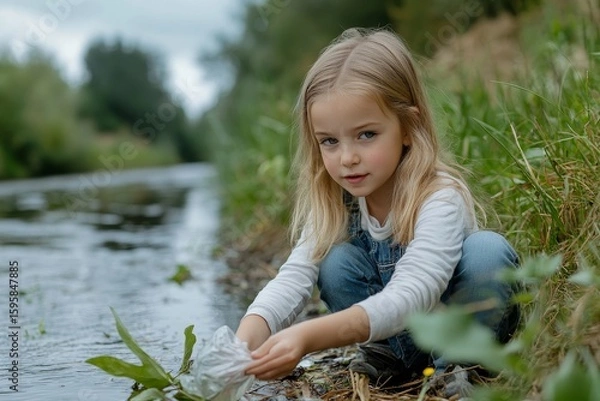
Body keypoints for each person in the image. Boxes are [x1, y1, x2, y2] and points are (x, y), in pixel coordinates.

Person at [235, 27, 520, 396]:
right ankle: (394, 358)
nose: (347, 158)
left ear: (408, 126)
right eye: (330, 142)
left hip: (462, 331)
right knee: (334, 261)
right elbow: (292, 280)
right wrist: (243, 345)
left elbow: (415, 290)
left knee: (487, 252)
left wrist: (308, 336)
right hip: (403, 341)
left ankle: (463, 366)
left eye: (366, 134)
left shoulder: (439, 196)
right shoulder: (337, 203)